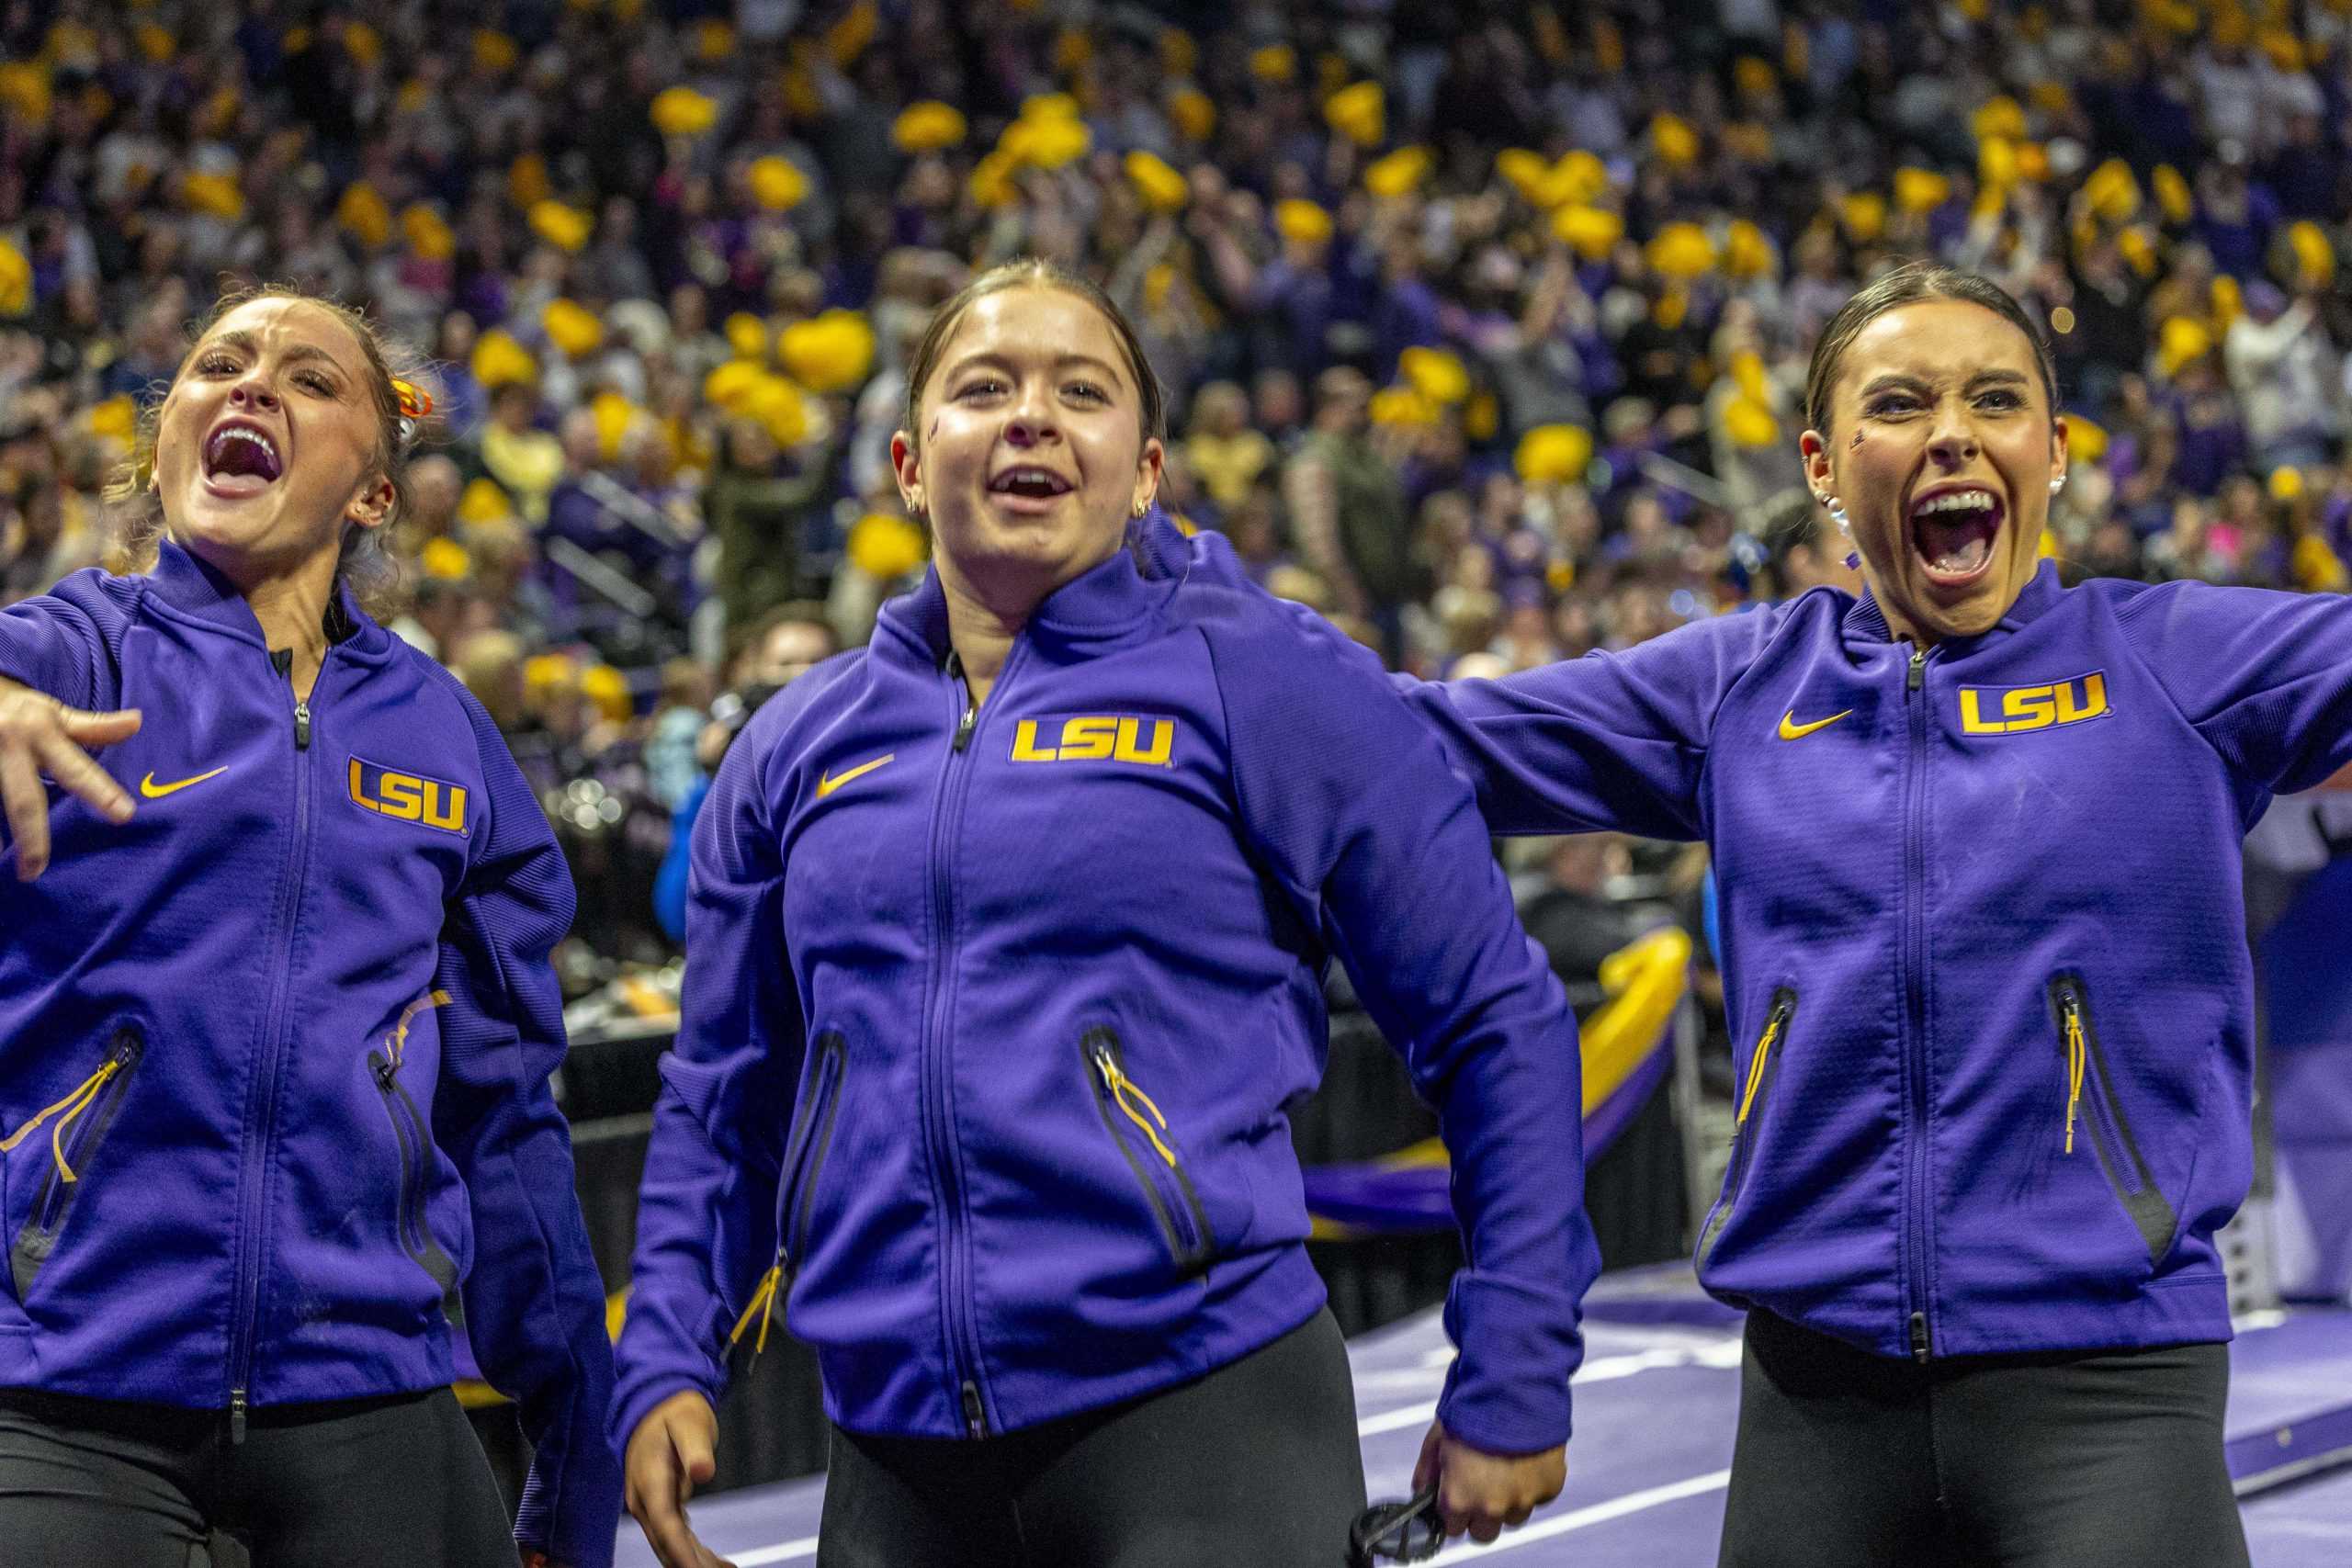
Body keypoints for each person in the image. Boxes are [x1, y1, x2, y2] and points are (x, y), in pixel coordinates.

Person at [612, 259, 1598, 1568]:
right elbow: (725, 1091)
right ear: (911, 462)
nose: (1032, 417)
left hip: (1203, 1419)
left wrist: (1517, 1359)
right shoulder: (794, 748)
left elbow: (1494, 1021)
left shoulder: (1269, 678)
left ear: (1144, 471)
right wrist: (668, 1353)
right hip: (893, 1455)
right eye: (985, 388)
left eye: (1083, 390)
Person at [1400, 262, 2352, 1567]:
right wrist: (1172, 637)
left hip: (2112, 1390)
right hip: (1814, 1397)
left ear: (2054, 452)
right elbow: (1402, 748)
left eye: (1997, 400)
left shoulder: (2176, 661)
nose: (1954, 431)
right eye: (1901, 403)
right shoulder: (1736, 688)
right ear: (1823, 465)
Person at [0, 288, 620, 1568]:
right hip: (61, 1391)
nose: (248, 387)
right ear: (161, 444)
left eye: (307, 377)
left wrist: (576, 1438)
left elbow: (505, 1112)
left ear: (374, 495)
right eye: (219, 366)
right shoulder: (64, 658)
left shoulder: (448, 738)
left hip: (367, 1388)